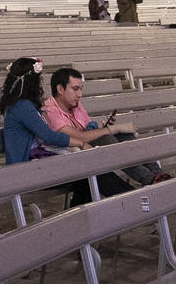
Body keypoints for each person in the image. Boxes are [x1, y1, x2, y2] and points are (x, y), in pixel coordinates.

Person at [43, 67, 156, 198]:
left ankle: (158, 176)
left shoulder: (75, 104)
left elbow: (88, 132)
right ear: (60, 89)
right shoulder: (49, 111)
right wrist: (111, 129)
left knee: (124, 135)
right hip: (68, 159)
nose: (79, 94)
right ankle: (148, 183)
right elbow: (79, 136)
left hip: (88, 152)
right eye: (75, 89)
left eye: (81, 89)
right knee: (107, 140)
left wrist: (105, 128)